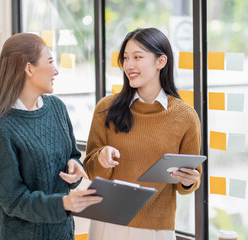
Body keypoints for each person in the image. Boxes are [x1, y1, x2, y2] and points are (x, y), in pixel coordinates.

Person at [0, 33, 102, 240]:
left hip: (63, 234)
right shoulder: (1, 129)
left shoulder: (57, 109)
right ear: (29, 68)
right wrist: (64, 204)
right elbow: (13, 201)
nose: (56, 71)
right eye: (50, 62)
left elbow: (72, 155)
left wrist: (74, 166)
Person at [83, 27, 202, 240]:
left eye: (137, 57)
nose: (129, 65)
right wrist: (101, 158)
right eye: (126, 58)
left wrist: (188, 180)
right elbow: (91, 172)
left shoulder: (186, 116)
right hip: (108, 223)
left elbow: (187, 185)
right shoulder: (106, 108)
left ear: (161, 62)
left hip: (157, 229)